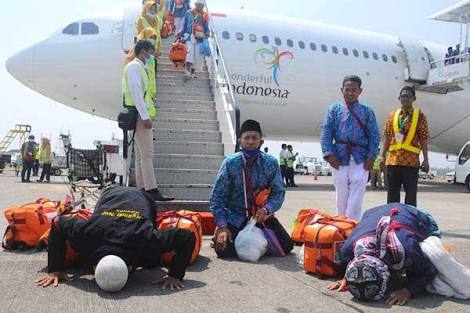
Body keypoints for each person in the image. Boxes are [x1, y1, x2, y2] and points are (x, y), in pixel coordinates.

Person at [34, 186, 196, 291]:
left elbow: (58, 223)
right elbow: (187, 237)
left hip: (133, 196)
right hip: (114, 194)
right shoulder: (145, 240)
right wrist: (175, 274)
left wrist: (55, 269)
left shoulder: (145, 239)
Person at [210, 119, 292, 259]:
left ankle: (258, 244)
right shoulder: (230, 163)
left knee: (286, 246)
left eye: (254, 138)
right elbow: (217, 198)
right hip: (235, 217)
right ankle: (228, 236)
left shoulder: (270, 163)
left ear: (261, 142)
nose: (250, 141)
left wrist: (267, 209)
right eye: (246, 137)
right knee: (224, 252)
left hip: (260, 216)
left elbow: (279, 193)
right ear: (240, 140)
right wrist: (223, 225)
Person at [328, 203, 439, 305]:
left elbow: (430, 270)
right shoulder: (347, 251)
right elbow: (355, 263)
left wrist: (408, 291)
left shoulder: (406, 249)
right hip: (375, 211)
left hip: (415, 213)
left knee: (434, 256)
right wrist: (350, 277)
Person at [320, 75, 380, 220]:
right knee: (341, 195)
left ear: (360, 91)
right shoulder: (334, 109)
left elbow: (374, 135)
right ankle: (341, 224)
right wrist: (329, 155)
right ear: (342, 90)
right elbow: (326, 132)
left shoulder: (367, 111)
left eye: (354, 90)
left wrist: (371, 157)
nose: (350, 93)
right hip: (338, 157)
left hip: (361, 158)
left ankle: (351, 226)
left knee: (356, 196)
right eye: (347, 90)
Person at [122, 40, 173, 201]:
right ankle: (152, 189)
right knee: (147, 155)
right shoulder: (135, 67)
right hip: (140, 115)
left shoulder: (137, 67)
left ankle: (142, 189)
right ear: (143, 51)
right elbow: (137, 92)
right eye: (150, 52)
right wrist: (145, 116)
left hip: (138, 114)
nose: (152, 56)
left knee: (140, 155)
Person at [380, 86, 429, 207]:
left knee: (411, 196)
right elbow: (387, 137)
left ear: (414, 98)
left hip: (411, 163)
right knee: (392, 195)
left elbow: (423, 138)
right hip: (392, 161)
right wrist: (381, 156)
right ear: (399, 98)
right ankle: (393, 222)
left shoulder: (420, 115)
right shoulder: (392, 115)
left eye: (408, 96)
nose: (405, 99)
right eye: (403, 96)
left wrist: (426, 159)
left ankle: (409, 222)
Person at [125, 27, 159, 101]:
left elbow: (153, 75)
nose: (153, 40)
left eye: (154, 38)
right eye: (151, 37)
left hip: (149, 94)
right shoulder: (134, 58)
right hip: (139, 95)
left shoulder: (152, 58)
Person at [179, 0, 210, 80]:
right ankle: (187, 72)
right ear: (195, 4)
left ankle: (192, 73)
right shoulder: (188, 13)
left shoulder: (205, 15)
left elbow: (206, 27)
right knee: (190, 53)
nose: (200, 7)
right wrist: (181, 33)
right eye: (198, 5)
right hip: (189, 36)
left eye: (202, 6)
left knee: (198, 57)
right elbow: (184, 24)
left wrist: (207, 33)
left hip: (200, 38)